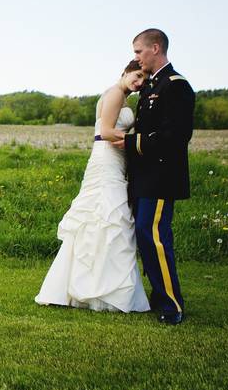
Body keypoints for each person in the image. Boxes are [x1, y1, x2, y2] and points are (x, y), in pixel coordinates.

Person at [35, 60, 151, 312]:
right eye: (137, 75)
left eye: (144, 79)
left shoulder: (125, 99)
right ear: (126, 72)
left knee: (111, 221)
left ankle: (104, 285)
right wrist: (142, 141)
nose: (139, 82)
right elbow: (108, 131)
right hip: (106, 160)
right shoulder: (114, 94)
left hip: (117, 161)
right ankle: (88, 288)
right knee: (104, 216)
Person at [113, 28, 195, 325]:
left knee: (155, 237)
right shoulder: (150, 86)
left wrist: (134, 143)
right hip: (144, 176)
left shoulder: (176, 86)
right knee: (145, 238)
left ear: (155, 48)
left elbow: (176, 135)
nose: (135, 57)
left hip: (161, 177)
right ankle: (159, 296)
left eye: (138, 51)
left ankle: (172, 305)